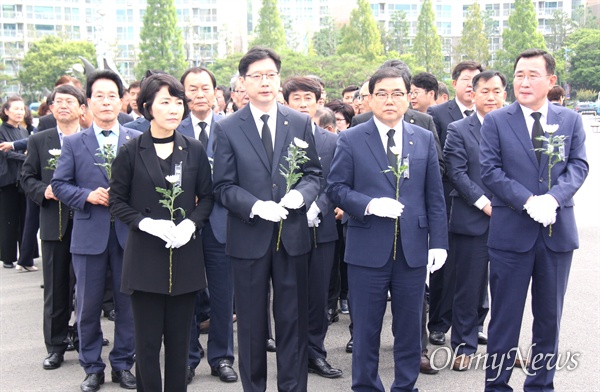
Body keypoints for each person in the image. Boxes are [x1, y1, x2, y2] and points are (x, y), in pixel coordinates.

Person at [327, 66, 448, 392]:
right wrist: (368, 204)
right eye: (381, 94)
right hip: (367, 249)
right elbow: (336, 188)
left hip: (412, 251)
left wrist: (438, 242)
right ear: (369, 99)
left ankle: (405, 386)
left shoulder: (421, 138)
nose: (389, 100)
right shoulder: (352, 138)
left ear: (409, 97)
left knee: (409, 328)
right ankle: (365, 386)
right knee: (366, 329)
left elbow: (434, 196)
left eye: (397, 93)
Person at [212, 46, 322, 392]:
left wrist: (299, 196)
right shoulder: (228, 127)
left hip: (291, 236)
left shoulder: (300, 121)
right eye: (256, 76)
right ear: (243, 83)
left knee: (292, 321)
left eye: (270, 75)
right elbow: (223, 186)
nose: (264, 82)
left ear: (279, 78)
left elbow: (314, 174)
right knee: (251, 326)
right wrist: (256, 206)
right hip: (249, 236)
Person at [480, 49, 588, 391]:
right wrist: (527, 201)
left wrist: (553, 198)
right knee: (505, 320)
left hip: (556, 233)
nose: (523, 82)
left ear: (551, 81)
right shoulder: (497, 120)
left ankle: (541, 385)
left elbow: (578, 166)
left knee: (549, 319)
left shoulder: (569, 120)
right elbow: (490, 171)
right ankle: (497, 386)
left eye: (532, 75)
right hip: (511, 233)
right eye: (519, 75)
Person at [109, 73, 214, 392]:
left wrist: (191, 224)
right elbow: (116, 201)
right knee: (148, 345)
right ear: (146, 107)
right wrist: (145, 223)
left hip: (184, 256)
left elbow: (208, 196)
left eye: (178, 102)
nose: (174, 109)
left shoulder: (193, 149)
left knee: (181, 346)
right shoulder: (131, 150)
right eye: (165, 102)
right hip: (145, 258)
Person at [51, 69, 140, 392]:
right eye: (99, 96)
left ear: (122, 101)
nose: (105, 102)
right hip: (89, 235)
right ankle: (92, 366)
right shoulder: (75, 143)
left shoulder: (136, 140)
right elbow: (59, 184)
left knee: (127, 302)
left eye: (111, 96)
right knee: (87, 306)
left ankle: (122, 364)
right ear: (88, 103)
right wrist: (86, 195)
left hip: (128, 236)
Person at [176, 66, 238, 384]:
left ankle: (222, 357)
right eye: (193, 89)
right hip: (184, 225)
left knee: (223, 294)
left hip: (222, 223)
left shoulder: (231, 129)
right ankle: (187, 358)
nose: (200, 94)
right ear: (183, 95)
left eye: (206, 88)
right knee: (186, 293)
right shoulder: (173, 129)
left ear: (216, 93)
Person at [443, 70, 507, 371]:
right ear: (473, 93)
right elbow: (456, 172)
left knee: (509, 288)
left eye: (496, 91)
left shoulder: (516, 128)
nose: (491, 97)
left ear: (504, 94)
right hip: (472, 220)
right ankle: (464, 346)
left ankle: (503, 347)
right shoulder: (458, 129)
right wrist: (485, 204)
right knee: (468, 288)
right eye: (485, 91)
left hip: (513, 220)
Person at [20, 84, 86, 369]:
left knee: (88, 287)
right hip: (54, 223)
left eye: (69, 101)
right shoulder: (40, 140)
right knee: (57, 288)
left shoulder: (90, 139)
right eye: (57, 101)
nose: (63, 105)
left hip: (87, 222)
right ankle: (56, 344)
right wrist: (43, 191)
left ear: (81, 108)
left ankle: (86, 338)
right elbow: (27, 177)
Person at [282, 76, 342, 379]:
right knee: (289, 294)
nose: (303, 103)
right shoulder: (280, 138)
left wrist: (319, 205)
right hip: (287, 228)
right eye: (297, 99)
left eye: (309, 98)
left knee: (318, 296)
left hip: (323, 228)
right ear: (286, 103)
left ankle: (316, 353)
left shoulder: (333, 140)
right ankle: (292, 353)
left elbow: (337, 180)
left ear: (319, 102)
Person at [427, 60, 484, 348]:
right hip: (450, 201)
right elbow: (439, 162)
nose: (472, 84)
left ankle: (478, 322)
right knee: (446, 269)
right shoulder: (438, 114)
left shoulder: (494, 115)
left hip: (486, 206)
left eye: (477, 79)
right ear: (456, 83)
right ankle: (438, 323)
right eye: (466, 79)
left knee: (479, 271)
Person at [0, 96, 28, 269]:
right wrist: (26, 157)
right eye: (16, 109)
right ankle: (8, 257)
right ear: (6, 111)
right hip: (7, 179)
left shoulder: (24, 131)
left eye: (22, 109)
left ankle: (26, 255)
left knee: (25, 218)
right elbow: (6, 153)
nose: (19, 112)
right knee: (8, 219)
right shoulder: (2, 130)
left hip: (23, 180)